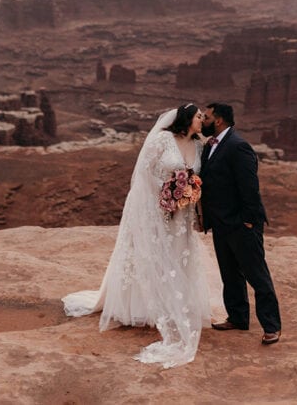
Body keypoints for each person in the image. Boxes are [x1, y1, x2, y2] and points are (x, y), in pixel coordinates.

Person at [62, 103, 212, 368]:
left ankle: (175, 303)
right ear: (187, 119)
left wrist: (186, 194)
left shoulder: (200, 146)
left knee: (178, 255)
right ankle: (143, 307)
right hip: (155, 208)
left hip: (182, 215)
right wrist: (164, 195)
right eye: (199, 116)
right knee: (154, 255)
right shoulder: (163, 139)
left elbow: (198, 177)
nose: (203, 120)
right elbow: (144, 171)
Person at [199, 102, 282, 345]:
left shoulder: (238, 146)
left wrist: (248, 221)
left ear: (220, 120)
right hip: (221, 224)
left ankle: (271, 326)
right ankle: (237, 317)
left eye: (207, 117)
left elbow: (250, 188)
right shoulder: (210, 146)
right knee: (230, 274)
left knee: (257, 276)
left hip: (240, 224)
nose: (203, 121)